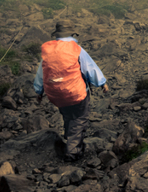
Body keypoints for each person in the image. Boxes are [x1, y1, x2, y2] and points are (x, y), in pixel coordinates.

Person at [33, 20, 108, 162]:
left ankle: (69, 137)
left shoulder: (48, 50)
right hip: (76, 92)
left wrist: (39, 91)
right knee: (80, 118)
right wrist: (102, 83)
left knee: (67, 115)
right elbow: (89, 68)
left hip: (56, 94)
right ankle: (72, 151)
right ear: (72, 33)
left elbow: (41, 73)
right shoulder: (76, 49)